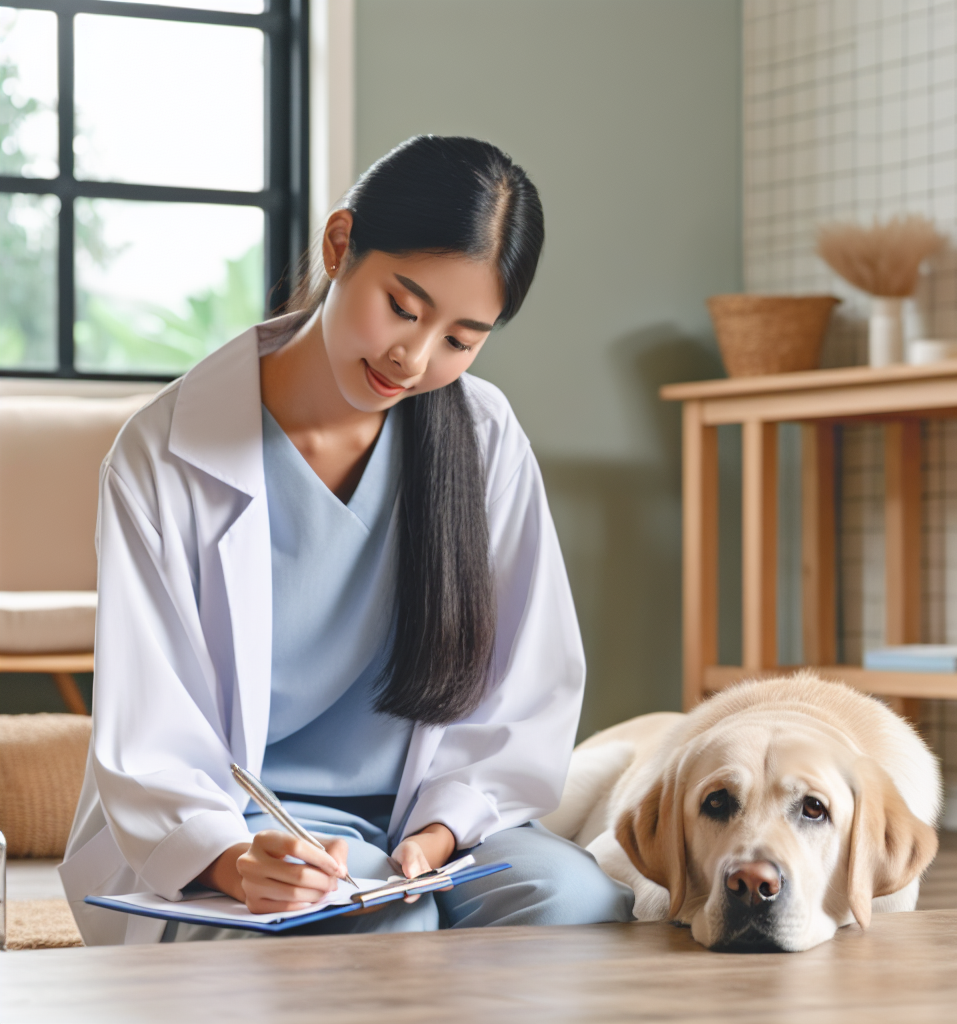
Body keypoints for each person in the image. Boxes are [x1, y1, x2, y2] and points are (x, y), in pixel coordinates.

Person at [60, 136, 634, 944]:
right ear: (340, 246)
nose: (414, 356)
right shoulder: (164, 455)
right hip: (243, 834)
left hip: (428, 823)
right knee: (386, 935)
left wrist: (437, 836)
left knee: (579, 909)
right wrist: (231, 858)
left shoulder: (484, 436)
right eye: (403, 306)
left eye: (462, 339)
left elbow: (526, 689)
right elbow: (150, 730)